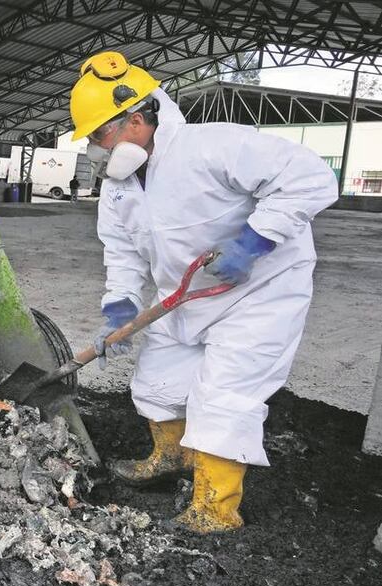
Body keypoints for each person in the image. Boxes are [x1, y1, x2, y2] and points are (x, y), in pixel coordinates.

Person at [71, 52, 337, 533]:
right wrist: (120, 305)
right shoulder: (118, 188)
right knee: (156, 382)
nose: (94, 149)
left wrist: (256, 240)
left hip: (258, 293)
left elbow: (311, 178)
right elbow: (122, 252)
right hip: (186, 295)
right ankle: (170, 456)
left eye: (98, 135)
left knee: (223, 395)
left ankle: (215, 508)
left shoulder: (213, 146)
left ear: (135, 121)